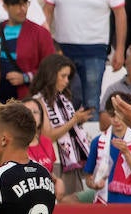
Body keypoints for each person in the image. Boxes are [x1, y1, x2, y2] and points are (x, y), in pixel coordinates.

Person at [43, 0, 126, 109]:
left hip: (94, 50)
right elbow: (47, 11)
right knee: (61, 101)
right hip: (62, 50)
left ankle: (90, 136)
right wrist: (47, 44)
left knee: (91, 103)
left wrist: (120, 49)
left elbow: (120, 14)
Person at [30, 52, 93, 193]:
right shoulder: (37, 101)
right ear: (51, 75)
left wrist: (78, 121)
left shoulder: (62, 99)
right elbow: (48, 136)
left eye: (68, 77)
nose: (66, 81)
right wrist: (74, 120)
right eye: (63, 76)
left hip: (70, 159)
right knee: (63, 205)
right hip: (55, 161)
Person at [0, 0, 57, 102]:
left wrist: (26, 77)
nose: (22, 8)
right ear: (5, 6)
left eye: (25, 3)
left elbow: (52, 67)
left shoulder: (40, 33)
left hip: (27, 97)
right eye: (16, 4)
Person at [82, 95, 131, 202]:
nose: (116, 120)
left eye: (120, 115)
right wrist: (93, 183)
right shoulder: (98, 142)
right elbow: (89, 177)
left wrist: (126, 152)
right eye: (112, 115)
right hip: (105, 203)